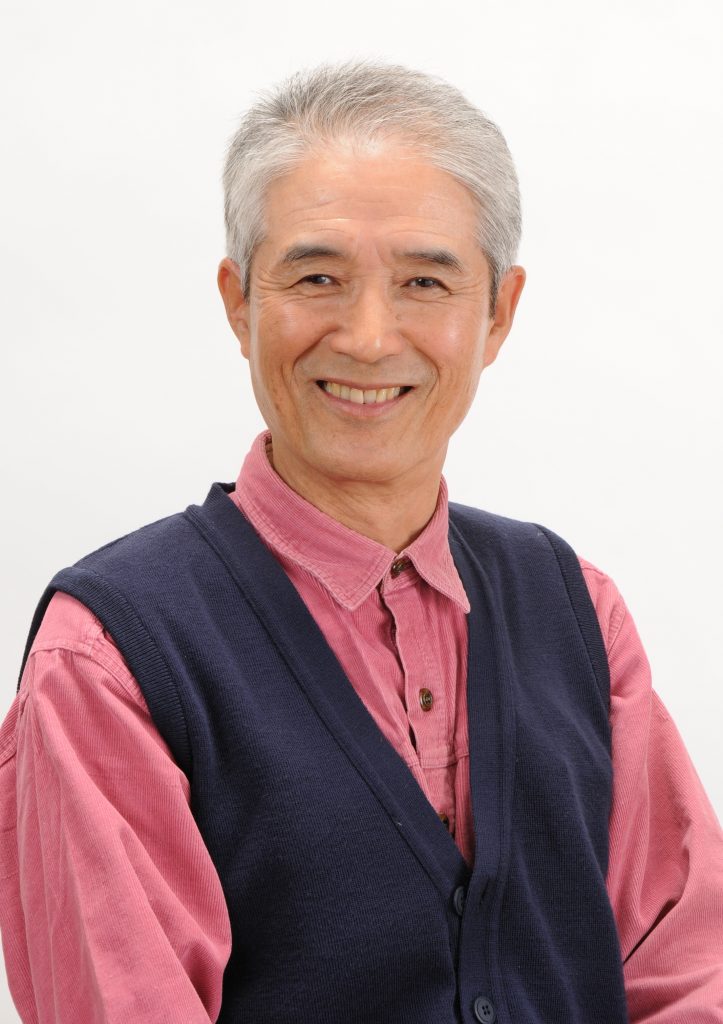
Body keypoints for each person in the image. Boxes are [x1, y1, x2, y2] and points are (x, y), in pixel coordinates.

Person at [1, 60, 722, 1024]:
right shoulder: (113, 658)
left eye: (424, 280)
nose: (370, 337)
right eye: (317, 278)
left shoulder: (577, 611)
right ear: (238, 302)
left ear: (498, 313)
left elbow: (689, 969)